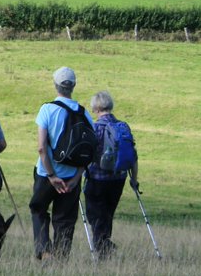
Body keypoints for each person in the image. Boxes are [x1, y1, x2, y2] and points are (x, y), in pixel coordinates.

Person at [29, 66, 94, 261]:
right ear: (74, 86)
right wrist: (77, 176)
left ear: (55, 85)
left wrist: (51, 176)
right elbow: (90, 149)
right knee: (65, 220)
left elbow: (41, 147)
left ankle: (44, 250)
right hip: (71, 177)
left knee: (38, 209)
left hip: (46, 174)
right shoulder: (84, 113)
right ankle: (61, 259)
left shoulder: (47, 109)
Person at [84, 91, 139, 259]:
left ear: (95, 108)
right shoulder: (123, 126)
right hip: (118, 178)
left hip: (97, 179)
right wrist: (134, 179)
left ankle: (103, 247)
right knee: (107, 214)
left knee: (94, 216)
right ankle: (104, 246)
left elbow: (87, 154)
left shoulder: (95, 128)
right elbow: (133, 156)